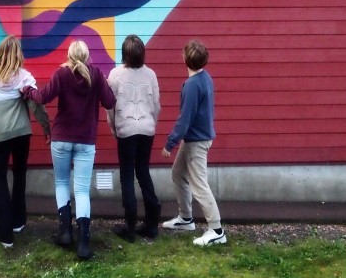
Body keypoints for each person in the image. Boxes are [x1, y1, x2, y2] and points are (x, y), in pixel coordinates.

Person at [21, 40, 116, 260]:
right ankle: (84, 243)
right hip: (86, 141)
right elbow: (110, 102)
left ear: (70, 56)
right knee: (82, 190)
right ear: (87, 55)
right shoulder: (97, 75)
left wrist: (27, 90)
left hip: (61, 139)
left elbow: (42, 97)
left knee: (62, 182)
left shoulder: (61, 74)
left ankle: (65, 232)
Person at [0, 36, 51, 248]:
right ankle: (18, 221)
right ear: (18, 54)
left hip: (0, 135)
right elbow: (38, 107)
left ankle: (4, 232)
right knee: (19, 175)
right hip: (22, 134)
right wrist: (47, 130)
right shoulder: (24, 77)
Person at [161, 39, 226, 246]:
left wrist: (170, 143)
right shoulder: (205, 78)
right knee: (178, 173)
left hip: (196, 142)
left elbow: (184, 119)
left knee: (199, 185)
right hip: (196, 138)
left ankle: (216, 230)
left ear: (184, 59)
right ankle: (186, 218)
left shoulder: (192, 85)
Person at [107, 34, 162, 242]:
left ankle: (129, 226)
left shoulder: (115, 75)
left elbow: (110, 107)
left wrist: (114, 128)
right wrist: (151, 123)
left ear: (125, 54)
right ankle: (152, 223)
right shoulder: (151, 75)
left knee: (127, 175)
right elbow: (156, 104)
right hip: (147, 129)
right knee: (143, 172)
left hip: (126, 129)